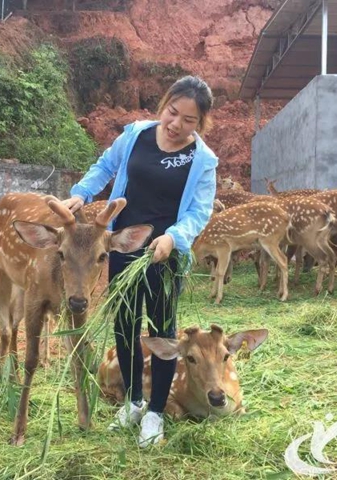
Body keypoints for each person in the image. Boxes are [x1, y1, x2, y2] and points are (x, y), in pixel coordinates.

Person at [61, 75, 218, 447]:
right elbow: (104, 167)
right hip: (124, 247)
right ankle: (133, 402)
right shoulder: (135, 135)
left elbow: (200, 211)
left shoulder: (203, 161)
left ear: (201, 122)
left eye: (189, 120)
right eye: (172, 112)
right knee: (125, 326)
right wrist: (80, 195)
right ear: (164, 105)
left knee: (163, 333)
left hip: (163, 255)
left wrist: (173, 238)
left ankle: (155, 413)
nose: (176, 124)